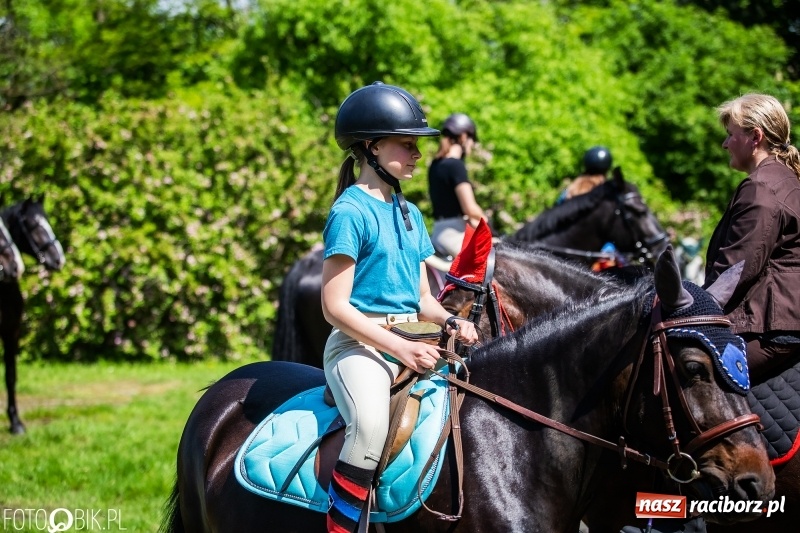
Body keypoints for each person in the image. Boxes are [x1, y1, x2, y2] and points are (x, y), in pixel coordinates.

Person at [321, 82, 479, 533]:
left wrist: (452, 321)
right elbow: (334, 306)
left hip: (414, 338)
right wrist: (400, 348)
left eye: (417, 145)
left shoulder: (410, 213)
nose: (416, 154)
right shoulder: (350, 212)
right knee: (369, 428)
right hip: (358, 346)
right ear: (371, 148)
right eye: (406, 144)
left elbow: (423, 299)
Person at [703, 93, 800, 383]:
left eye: (731, 135)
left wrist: (690, 307)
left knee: (686, 383)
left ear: (754, 137)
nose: (725, 144)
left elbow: (735, 271)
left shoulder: (761, 188)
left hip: (770, 328)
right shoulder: (785, 180)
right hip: (780, 323)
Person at [428, 112, 487, 258]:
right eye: (472, 139)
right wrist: (486, 221)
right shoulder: (455, 165)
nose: (472, 145)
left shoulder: (435, 165)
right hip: (454, 235)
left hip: (438, 233)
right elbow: (470, 208)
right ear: (464, 137)